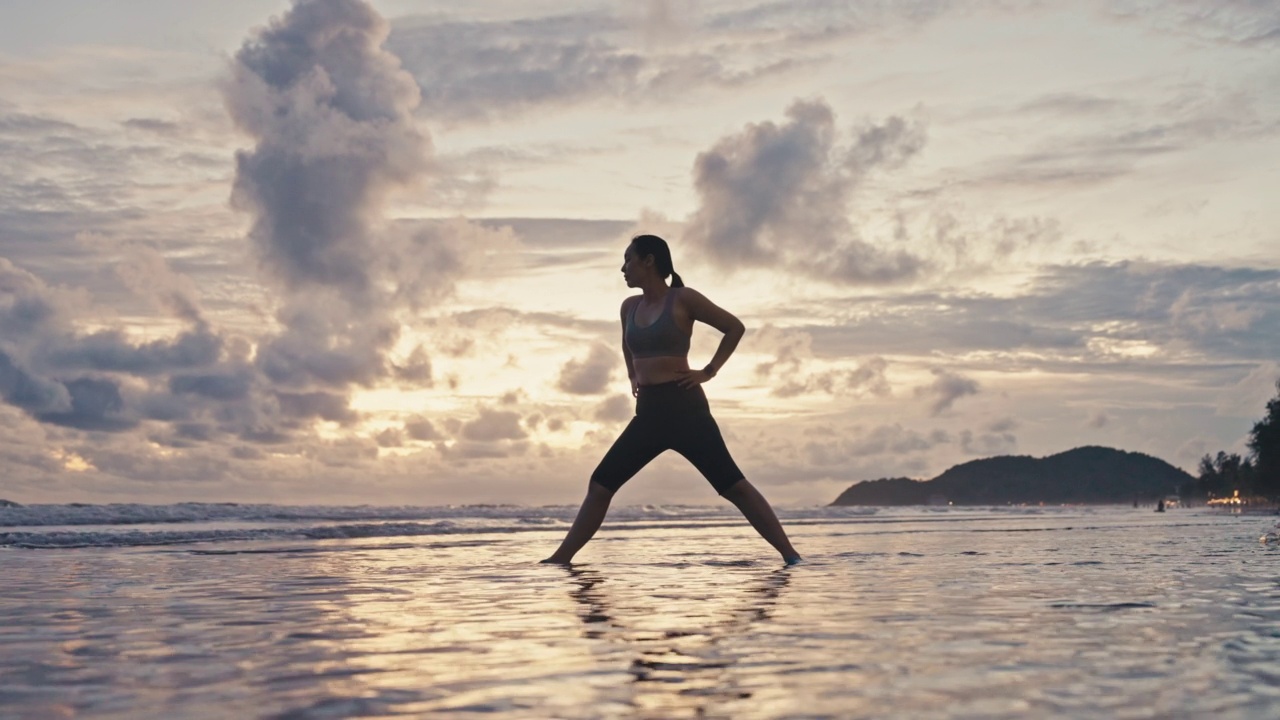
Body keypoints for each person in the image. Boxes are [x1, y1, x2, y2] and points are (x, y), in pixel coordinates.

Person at [542, 234, 801, 565]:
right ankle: (561, 558)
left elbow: (733, 327)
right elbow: (626, 343)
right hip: (648, 413)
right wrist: (632, 374)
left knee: (732, 485)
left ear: (649, 261)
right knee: (601, 484)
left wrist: (708, 371)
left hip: (685, 408)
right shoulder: (629, 308)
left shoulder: (683, 299)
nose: (623, 268)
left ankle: (791, 556)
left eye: (628, 260)